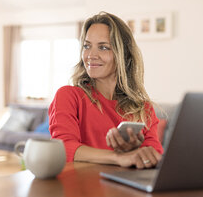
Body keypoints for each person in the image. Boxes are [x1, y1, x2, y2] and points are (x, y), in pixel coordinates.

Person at [49, 12, 163, 169]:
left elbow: (154, 156)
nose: (91, 55)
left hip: (125, 191)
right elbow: (63, 148)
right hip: (81, 190)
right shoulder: (69, 96)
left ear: (123, 55)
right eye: (87, 46)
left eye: (103, 47)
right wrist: (118, 157)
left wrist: (135, 150)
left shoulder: (143, 109)